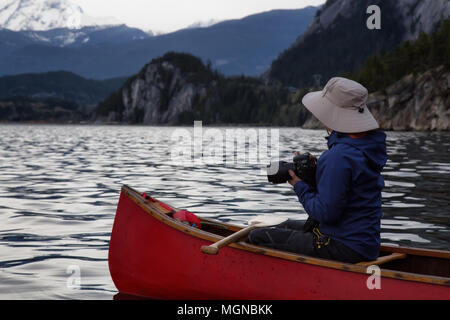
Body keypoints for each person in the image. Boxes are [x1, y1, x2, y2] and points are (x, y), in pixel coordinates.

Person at [249, 77, 387, 263]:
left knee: (258, 236)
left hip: (343, 247)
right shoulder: (366, 148)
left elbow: (324, 213)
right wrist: (317, 175)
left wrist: (299, 185)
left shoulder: (338, 157)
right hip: (365, 244)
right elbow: (348, 193)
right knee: (286, 225)